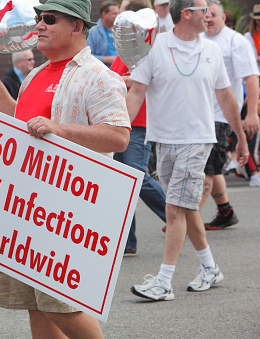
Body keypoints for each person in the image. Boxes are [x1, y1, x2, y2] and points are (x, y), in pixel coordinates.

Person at [0, 0, 130, 337]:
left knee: (62, 308)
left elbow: (119, 137)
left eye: (49, 19)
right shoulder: (35, 74)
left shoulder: (98, 76)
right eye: (39, 18)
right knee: (37, 308)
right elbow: (23, 127)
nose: (38, 25)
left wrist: (61, 129)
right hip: (28, 211)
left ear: (78, 26)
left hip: (68, 215)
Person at [127, 0, 249, 301]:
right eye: (203, 10)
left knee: (173, 209)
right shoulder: (154, 47)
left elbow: (226, 97)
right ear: (187, 14)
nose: (208, 16)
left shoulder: (211, 51)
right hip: (163, 140)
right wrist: (119, 130)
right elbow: (137, 92)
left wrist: (241, 137)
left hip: (198, 139)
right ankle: (210, 267)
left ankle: (164, 282)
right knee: (186, 206)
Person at [199, 1, 260, 231]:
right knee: (213, 166)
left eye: (213, 15)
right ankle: (225, 211)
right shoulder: (198, 39)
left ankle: (188, 219)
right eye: (205, 15)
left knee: (206, 167)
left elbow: (251, 79)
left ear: (224, 18)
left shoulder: (235, 42)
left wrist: (252, 114)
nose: (208, 19)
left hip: (222, 116)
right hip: (199, 115)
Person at [110, 0, 166, 256]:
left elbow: (144, 77)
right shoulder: (126, 46)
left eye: (121, 11)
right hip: (122, 121)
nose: (116, 17)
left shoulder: (146, 43)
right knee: (121, 183)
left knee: (136, 177)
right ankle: (127, 242)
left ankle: (179, 216)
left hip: (140, 123)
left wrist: (114, 80)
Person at [244, 4, 260, 170]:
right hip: (256, 80)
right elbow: (246, 57)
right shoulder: (248, 36)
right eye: (259, 20)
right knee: (256, 117)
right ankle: (251, 158)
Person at [85, 0, 119, 68]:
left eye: (118, 13)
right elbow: (86, 55)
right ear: (104, 14)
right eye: (114, 13)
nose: (117, 16)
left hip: (119, 70)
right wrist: (106, 59)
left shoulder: (119, 30)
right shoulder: (93, 32)